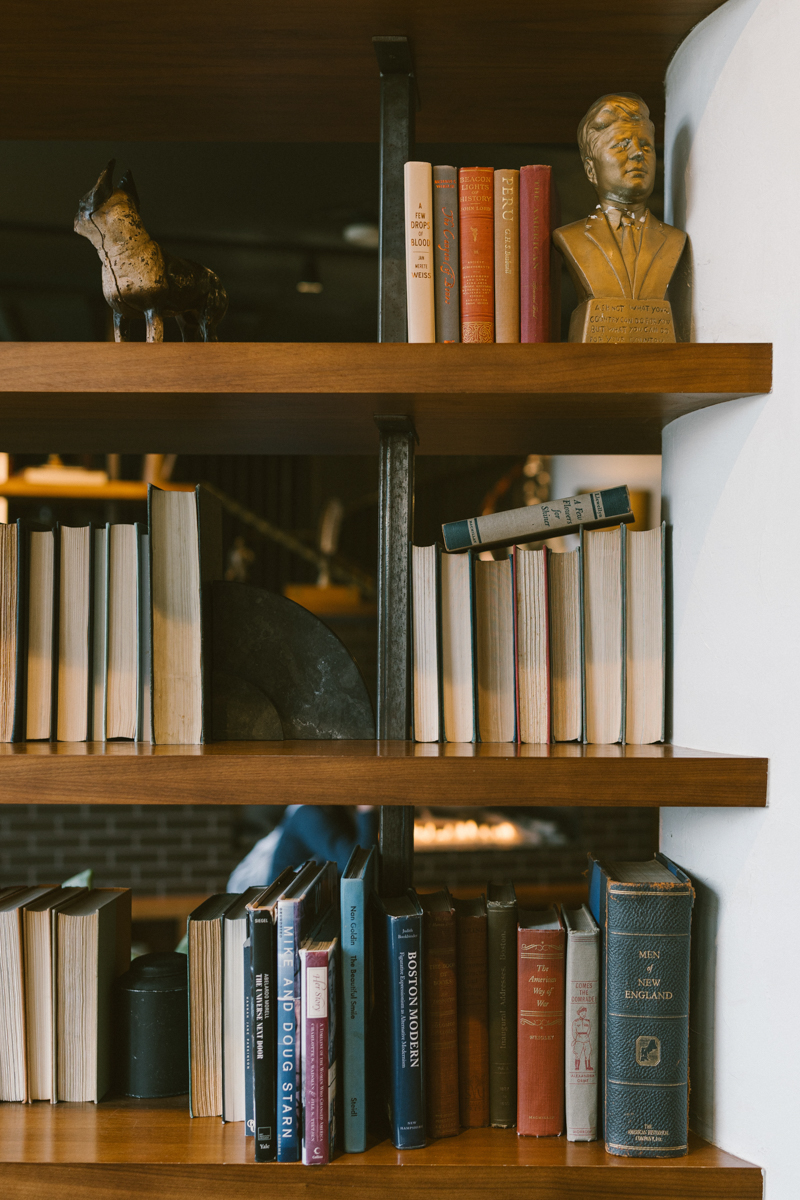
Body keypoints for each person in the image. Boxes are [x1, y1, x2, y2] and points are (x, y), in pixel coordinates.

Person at [553, 93, 686, 305]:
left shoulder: (675, 240)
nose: (637, 154)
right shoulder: (570, 238)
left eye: (645, 145)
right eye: (622, 145)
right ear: (591, 170)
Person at [227, 804, 378, 891]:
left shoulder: (331, 811)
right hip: (278, 907)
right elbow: (358, 867)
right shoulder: (307, 815)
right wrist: (367, 809)